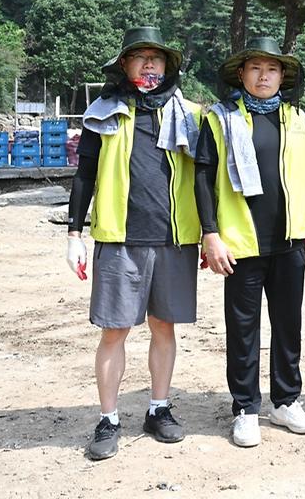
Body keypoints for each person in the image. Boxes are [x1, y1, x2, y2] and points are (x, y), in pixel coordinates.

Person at [66, 26, 203, 461]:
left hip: (173, 239)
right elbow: (85, 175)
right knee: (114, 331)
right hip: (119, 237)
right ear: (125, 65)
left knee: (164, 327)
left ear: (167, 66)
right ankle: (108, 419)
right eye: (140, 57)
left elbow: (207, 177)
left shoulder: (190, 115)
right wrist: (74, 234)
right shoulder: (103, 112)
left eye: (156, 58)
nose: (149, 65)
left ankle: (158, 408)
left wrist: (213, 232)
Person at [194, 37, 305, 448]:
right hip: (240, 242)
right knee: (243, 329)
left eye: (272, 69)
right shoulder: (220, 119)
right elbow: (202, 178)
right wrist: (210, 233)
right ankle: (245, 408)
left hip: (289, 240)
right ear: (241, 74)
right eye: (255, 68)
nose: (263, 76)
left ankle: (286, 401)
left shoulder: (297, 119)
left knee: (289, 324)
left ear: (282, 76)